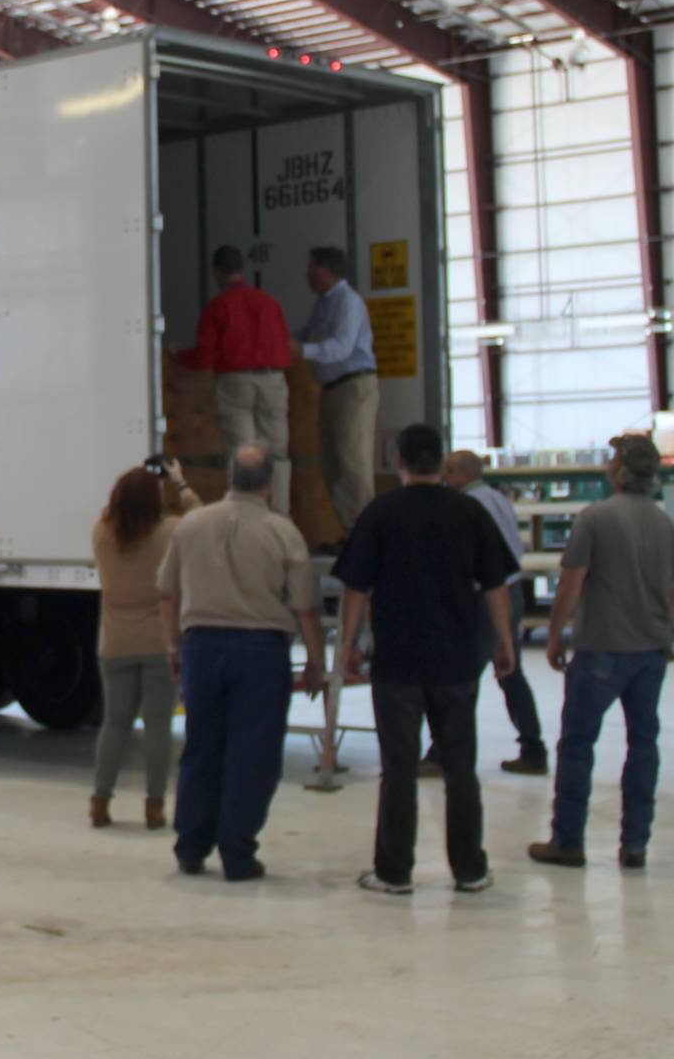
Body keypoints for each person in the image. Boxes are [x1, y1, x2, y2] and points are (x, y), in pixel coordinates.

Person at [335, 423, 517, 895]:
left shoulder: (381, 513)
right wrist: (504, 643)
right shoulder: (470, 513)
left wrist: (347, 646)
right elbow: (495, 585)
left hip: (397, 661)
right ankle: (470, 869)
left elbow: (356, 587)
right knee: (460, 769)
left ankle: (394, 872)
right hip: (456, 659)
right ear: (440, 461)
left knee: (398, 769)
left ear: (398, 461)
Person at [157, 443, 323, 881]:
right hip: (261, 652)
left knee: (201, 748)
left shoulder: (191, 526)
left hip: (201, 647)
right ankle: (237, 853)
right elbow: (305, 606)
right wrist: (315, 663)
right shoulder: (283, 532)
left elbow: (167, 592)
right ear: (270, 483)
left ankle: (190, 848)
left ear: (229, 477)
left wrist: (173, 647)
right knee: (254, 754)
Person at [527, 434, 674, 871]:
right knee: (643, 745)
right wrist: (666, 635)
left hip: (601, 648)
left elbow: (571, 582)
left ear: (618, 470)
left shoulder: (595, 519)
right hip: (650, 650)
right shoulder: (665, 525)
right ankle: (635, 843)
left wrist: (555, 633)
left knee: (577, 744)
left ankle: (569, 840)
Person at [89, 457, 204, 831]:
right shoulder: (168, 532)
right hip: (159, 641)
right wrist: (178, 482)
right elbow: (201, 519)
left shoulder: (101, 534)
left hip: (114, 643)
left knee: (114, 723)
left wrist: (135, 484)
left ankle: (100, 801)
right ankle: (154, 807)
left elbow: (115, 511)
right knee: (157, 726)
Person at [438, 450, 548, 775]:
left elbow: (472, 560)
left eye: (449, 471)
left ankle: (446, 752)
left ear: (462, 473)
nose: (445, 477)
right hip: (511, 590)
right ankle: (533, 748)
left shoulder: (470, 506)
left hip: (486, 596)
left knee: (462, 674)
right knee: (510, 671)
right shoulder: (497, 498)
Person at [174, 246, 293, 514]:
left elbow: (205, 356)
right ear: (242, 268)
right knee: (278, 454)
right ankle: (280, 518)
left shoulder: (218, 307)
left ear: (218, 271)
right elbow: (284, 343)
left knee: (244, 453)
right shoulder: (269, 303)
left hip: (236, 381)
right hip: (273, 379)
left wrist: (178, 355)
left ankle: (249, 519)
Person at [293, 246, 379, 537]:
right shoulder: (324, 303)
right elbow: (307, 334)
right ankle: (352, 529)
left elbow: (340, 347)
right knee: (333, 464)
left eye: (311, 268)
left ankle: (367, 533)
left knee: (353, 461)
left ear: (325, 270)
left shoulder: (347, 302)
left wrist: (300, 350)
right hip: (332, 389)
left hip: (352, 387)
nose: (306, 274)